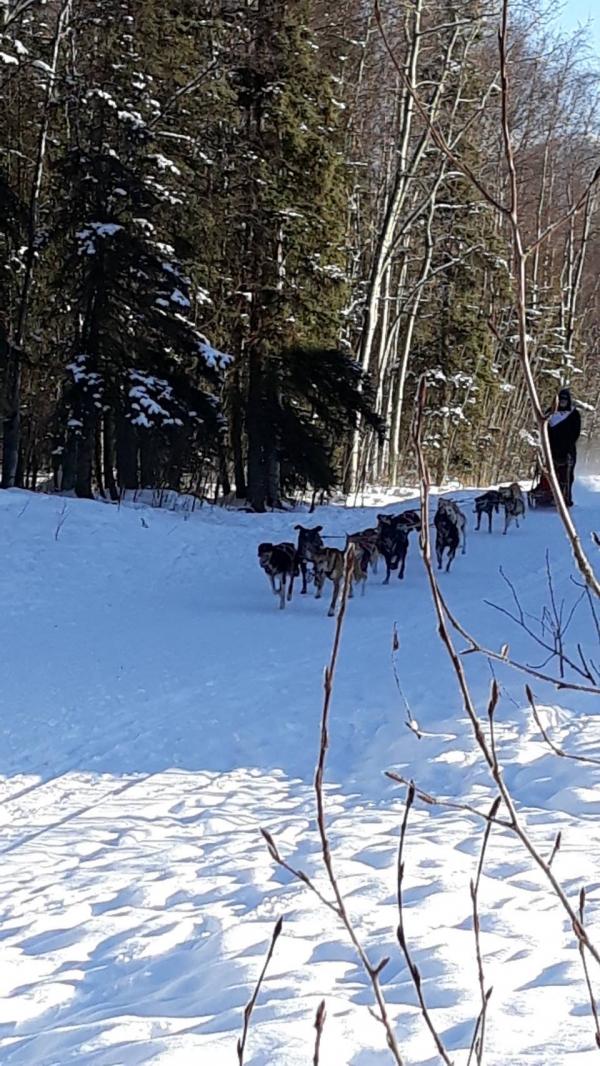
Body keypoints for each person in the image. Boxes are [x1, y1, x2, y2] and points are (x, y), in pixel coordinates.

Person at [547, 387, 581, 506]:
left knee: (567, 475)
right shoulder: (550, 413)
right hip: (551, 448)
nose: (562, 402)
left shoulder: (573, 414)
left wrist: (569, 444)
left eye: (565, 400)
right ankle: (547, 493)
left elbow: (576, 432)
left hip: (567, 449)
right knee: (549, 472)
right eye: (560, 400)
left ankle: (566, 496)